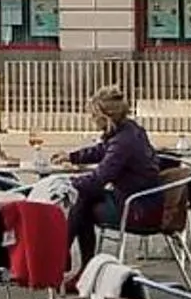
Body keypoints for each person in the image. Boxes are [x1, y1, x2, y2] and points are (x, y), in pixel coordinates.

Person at [63, 87, 160, 270]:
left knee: (83, 202)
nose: (91, 120)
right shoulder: (129, 130)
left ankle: (66, 258)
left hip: (135, 207)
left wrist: (67, 184)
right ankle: (73, 262)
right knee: (84, 200)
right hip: (141, 199)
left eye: (93, 116)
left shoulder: (123, 141)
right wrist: (73, 157)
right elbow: (103, 150)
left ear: (105, 117)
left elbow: (100, 177)